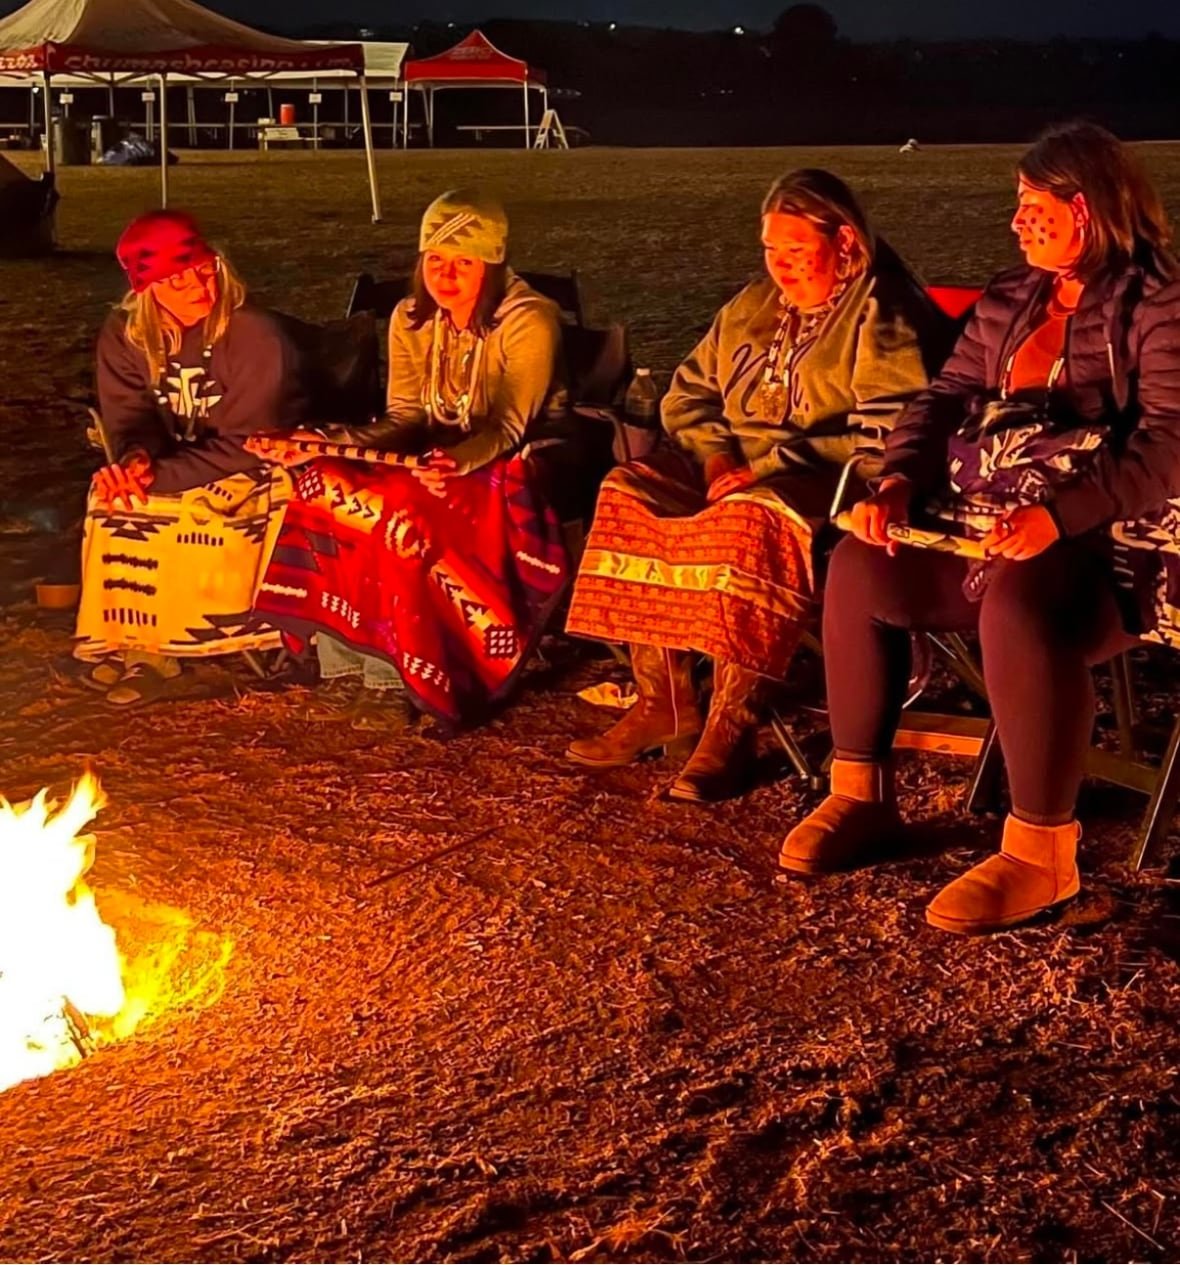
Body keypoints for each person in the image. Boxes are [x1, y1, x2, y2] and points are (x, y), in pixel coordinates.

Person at [780, 122, 1180, 934]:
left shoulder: (1158, 301)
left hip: (1109, 542)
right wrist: (895, 483)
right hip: (989, 521)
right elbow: (943, 399)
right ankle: (859, 794)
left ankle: (1042, 854)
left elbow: (1173, 439)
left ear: (1085, 208)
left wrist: (1057, 516)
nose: (1017, 223)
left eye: (1031, 207)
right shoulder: (1012, 297)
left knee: (1020, 601)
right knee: (862, 565)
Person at [564, 169, 948, 801]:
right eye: (771, 250)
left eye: (797, 252)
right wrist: (716, 460)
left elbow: (892, 429)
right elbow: (689, 393)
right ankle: (667, 700)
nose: (781, 267)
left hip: (829, 480)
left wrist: (768, 468)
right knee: (628, 489)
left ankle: (733, 723)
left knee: (749, 517)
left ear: (845, 242)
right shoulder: (752, 307)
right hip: (731, 470)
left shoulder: (882, 314)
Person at [248, 189, 569, 730]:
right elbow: (404, 419)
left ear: (490, 264)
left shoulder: (528, 320)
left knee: (396, 512)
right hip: (431, 455)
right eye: (435, 260)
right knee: (323, 481)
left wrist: (454, 461)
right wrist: (320, 441)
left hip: (509, 466)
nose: (447, 275)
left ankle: (393, 675)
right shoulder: (414, 318)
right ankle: (343, 660)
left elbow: (510, 426)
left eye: (463, 262)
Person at [75, 210, 305, 705]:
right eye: (178, 280)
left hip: (258, 465)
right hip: (178, 460)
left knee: (189, 508)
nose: (199, 287)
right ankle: (134, 645)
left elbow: (248, 442)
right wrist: (136, 461)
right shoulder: (126, 336)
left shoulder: (252, 334)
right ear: (147, 288)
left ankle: (172, 644)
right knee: (114, 500)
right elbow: (128, 418)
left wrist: (160, 475)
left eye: (205, 271)